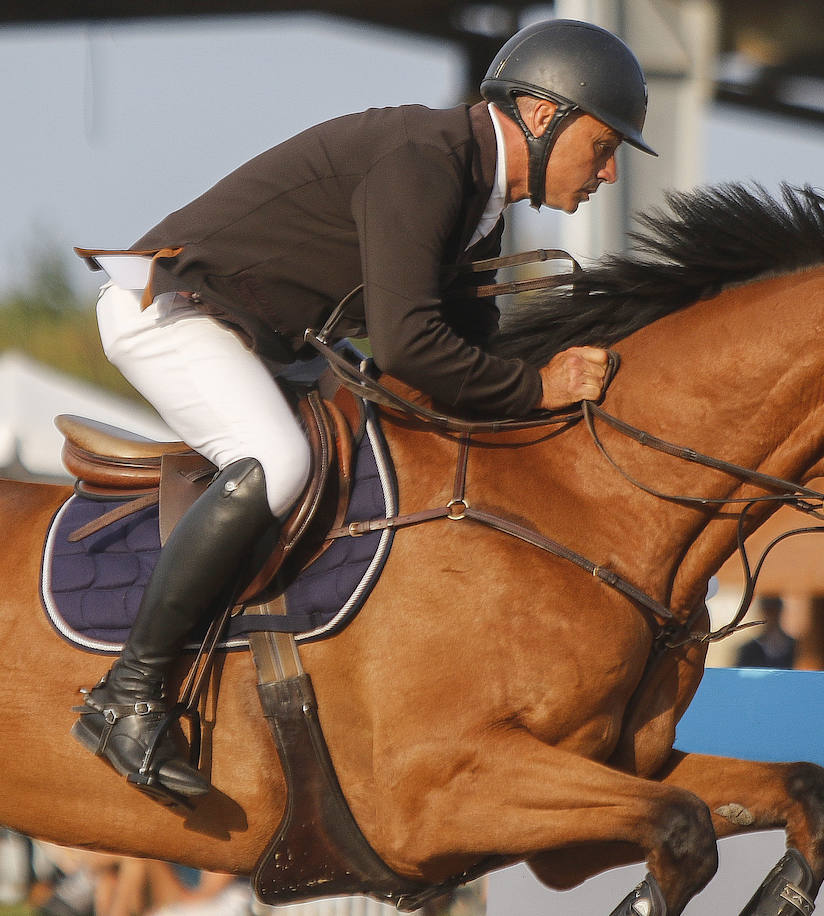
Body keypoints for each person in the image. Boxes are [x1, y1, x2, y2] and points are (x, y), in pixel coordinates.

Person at [68, 18, 656, 804]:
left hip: (264, 339)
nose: (608, 175)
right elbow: (413, 347)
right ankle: (127, 696)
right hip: (172, 311)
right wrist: (539, 388)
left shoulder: (478, 195)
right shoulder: (427, 162)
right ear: (545, 116)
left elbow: (471, 356)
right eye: (606, 146)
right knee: (279, 463)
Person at [734, 596, 797, 669]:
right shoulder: (748, 650)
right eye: (768, 610)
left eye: (774, 610)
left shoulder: (796, 648)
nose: (771, 616)